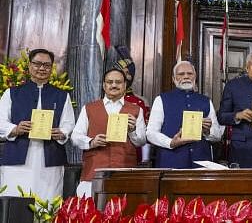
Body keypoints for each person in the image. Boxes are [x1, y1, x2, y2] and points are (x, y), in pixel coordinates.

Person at [0, 49, 75, 200]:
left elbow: (68, 124)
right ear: (29, 65)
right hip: (17, 156)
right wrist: (15, 129)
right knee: (15, 201)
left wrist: (62, 133)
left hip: (50, 157)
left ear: (51, 68)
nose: (42, 68)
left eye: (47, 65)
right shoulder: (12, 93)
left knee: (47, 200)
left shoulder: (61, 96)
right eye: (37, 64)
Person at [71, 68, 146, 197]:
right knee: (90, 212)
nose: (114, 85)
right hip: (94, 170)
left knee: (123, 212)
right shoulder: (89, 108)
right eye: (110, 82)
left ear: (125, 85)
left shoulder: (136, 110)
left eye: (118, 82)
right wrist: (92, 142)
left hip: (124, 170)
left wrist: (133, 131)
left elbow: (141, 141)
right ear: (104, 85)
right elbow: (75, 137)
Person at [146, 61, 224, 168]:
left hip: (201, 164)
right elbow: (151, 133)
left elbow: (217, 136)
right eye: (181, 74)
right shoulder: (161, 100)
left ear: (195, 77)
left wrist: (207, 131)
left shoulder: (205, 101)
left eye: (190, 73)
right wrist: (171, 143)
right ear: (174, 79)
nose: (186, 76)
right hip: (171, 161)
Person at [113, 45, 151, 163]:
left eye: (124, 73)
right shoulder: (102, 101)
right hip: (107, 152)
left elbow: (145, 134)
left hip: (132, 154)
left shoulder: (140, 102)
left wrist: (145, 159)